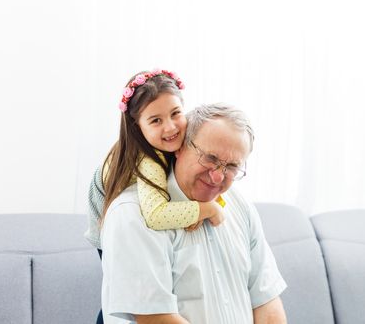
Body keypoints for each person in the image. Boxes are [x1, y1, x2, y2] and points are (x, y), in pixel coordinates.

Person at [100, 103, 288, 323]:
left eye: (232, 167)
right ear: (179, 147)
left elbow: (266, 300)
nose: (218, 176)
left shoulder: (239, 203)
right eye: (210, 158)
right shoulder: (132, 214)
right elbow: (156, 318)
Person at [84, 69, 225, 324]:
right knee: (127, 291)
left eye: (175, 113)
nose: (170, 127)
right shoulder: (147, 160)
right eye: (156, 121)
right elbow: (156, 215)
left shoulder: (182, 140)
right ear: (137, 125)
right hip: (106, 227)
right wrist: (206, 209)